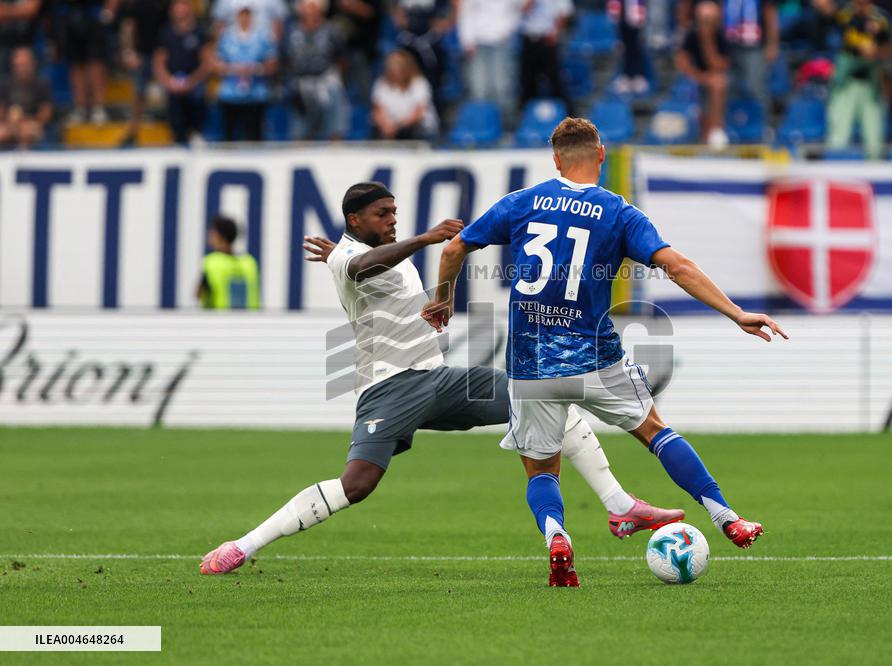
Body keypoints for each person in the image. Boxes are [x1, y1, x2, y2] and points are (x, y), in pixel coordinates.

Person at [199, 182, 686, 578]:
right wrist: (428, 238)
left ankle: (620, 506)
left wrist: (436, 298)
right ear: (354, 220)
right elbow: (364, 265)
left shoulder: (354, 252)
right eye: (382, 213)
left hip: (438, 377)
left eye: (394, 211)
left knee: (545, 395)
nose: (392, 219)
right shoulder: (357, 256)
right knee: (358, 484)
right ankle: (241, 546)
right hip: (389, 388)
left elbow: (371, 264)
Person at [424, 117, 786, 586]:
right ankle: (726, 517)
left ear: (555, 159)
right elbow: (676, 266)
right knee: (655, 431)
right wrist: (736, 314)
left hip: (531, 364)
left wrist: (444, 297)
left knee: (541, 469)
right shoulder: (618, 212)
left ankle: (557, 535)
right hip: (596, 357)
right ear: (601, 154)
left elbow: (454, 248)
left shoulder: (520, 203)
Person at [818, 0, 892, 159]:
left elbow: (889, 50)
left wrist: (876, 53)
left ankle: (876, 177)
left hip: (871, 84)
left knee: (873, 140)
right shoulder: (844, 14)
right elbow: (823, 6)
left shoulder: (881, 18)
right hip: (846, 83)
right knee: (838, 136)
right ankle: (834, 172)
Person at [285, 0, 350, 141]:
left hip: (326, 82)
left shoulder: (332, 30)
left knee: (335, 131)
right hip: (302, 85)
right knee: (300, 134)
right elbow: (286, 59)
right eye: (306, 6)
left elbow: (342, 59)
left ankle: (337, 157)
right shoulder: (292, 31)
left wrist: (333, 77)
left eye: (312, 6)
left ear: (321, 9)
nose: (309, 11)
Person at [214, 4, 278, 142]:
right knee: (229, 136)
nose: (244, 18)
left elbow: (272, 64)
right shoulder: (226, 37)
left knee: (254, 136)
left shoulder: (262, 37)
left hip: (255, 93)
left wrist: (255, 69)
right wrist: (234, 69)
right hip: (230, 94)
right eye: (241, 15)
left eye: (247, 15)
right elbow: (217, 65)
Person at [456, 0, 525, 123]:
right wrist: (466, 40)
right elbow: (465, 13)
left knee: (503, 87)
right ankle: (481, 125)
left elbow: (519, 9)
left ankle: (507, 127)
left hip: (502, 42)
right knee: (478, 88)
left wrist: (508, 30)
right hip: (477, 43)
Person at [154, 0, 212, 144]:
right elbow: (159, 62)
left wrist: (192, 81)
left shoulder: (199, 32)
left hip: (194, 82)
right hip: (174, 82)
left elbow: (207, 61)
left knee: (198, 100)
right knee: (175, 110)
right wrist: (168, 81)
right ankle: (177, 138)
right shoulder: (166, 33)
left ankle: (197, 132)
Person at [676, 1, 731, 148]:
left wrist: (707, 41)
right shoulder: (691, 34)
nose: (705, 25)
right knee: (711, 84)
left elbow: (719, 65)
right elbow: (682, 62)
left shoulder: (721, 36)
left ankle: (715, 130)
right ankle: (701, 133)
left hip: (714, 78)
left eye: (709, 22)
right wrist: (700, 77)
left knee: (718, 83)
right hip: (697, 77)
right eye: (703, 21)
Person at [53, 0, 118, 124]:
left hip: (94, 15)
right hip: (70, 15)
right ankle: (80, 107)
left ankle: (98, 107)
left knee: (96, 62)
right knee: (75, 64)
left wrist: (109, 11)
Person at [119, 0, 171, 146]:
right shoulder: (137, 4)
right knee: (139, 93)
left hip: (165, 53)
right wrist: (129, 52)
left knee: (171, 91)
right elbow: (128, 27)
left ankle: (179, 130)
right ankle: (133, 132)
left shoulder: (166, 4)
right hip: (143, 54)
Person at [371, 49, 438, 140]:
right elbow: (378, 110)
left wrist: (398, 127)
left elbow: (419, 112)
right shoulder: (381, 83)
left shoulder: (419, 83)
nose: (395, 68)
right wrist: (386, 125)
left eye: (398, 65)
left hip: (417, 129)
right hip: (390, 129)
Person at [197, 215, 260, 310]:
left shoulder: (212, 262)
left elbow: (199, 294)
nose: (209, 235)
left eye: (212, 233)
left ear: (221, 236)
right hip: (250, 320)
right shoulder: (250, 263)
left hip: (220, 320)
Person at [519, 0, 573, 109]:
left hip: (548, 39)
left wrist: (555, 32)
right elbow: (521, 11)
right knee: (528, 80)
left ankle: (566, 114)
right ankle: (527, 115)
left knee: (554, 78)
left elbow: (565, 12)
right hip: (529, 39)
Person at [0, 46, 51, 148]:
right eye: (18, 65)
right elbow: (1, 109)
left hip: (33, 123)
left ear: (32, 64)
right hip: (9, 123)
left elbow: (46, 112)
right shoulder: (5, 83)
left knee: (25, 133)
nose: (21, 68)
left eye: (24, 65)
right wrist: (9, 119)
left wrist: (30, 120)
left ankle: (22, 161)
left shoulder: (42, 83)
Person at [608, 0, 651, 95]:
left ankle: (638, 76)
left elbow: (641, 6)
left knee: (635, 48)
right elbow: (613, 8)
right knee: (623, 50)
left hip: (635, 22)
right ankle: (625, 76)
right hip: (622, 23)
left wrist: (640, 20)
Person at [211, 0, 287, 42]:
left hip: (264, 47)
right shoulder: (223, 1)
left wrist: (272, 50)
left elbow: (279, 21)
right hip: (232, 50)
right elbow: (219, 24)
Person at [0, 0, 42, 74]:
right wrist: (21, 10)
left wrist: (6, 11)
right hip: (3, 43)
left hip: (31, 42)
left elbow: (31, 10)